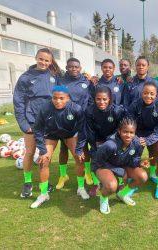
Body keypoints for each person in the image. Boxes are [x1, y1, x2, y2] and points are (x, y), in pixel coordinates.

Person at [13, 47, 61, 199]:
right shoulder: (25, 77)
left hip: (49, 123)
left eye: (47, 60)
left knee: (45, 154)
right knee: (30, 152)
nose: (43, 62)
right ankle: (27, 183)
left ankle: (43, 183)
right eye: (41, 59)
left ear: (50, 61)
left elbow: (62, 95)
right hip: (32, 123)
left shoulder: (54, 76)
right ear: (36, 58)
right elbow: (18, 101)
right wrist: (23, 123)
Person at [31, 85, 87, 208]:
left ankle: (81, 188)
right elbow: (38, 128)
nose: (58, 101)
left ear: (68, 98)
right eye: (55, 98)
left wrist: (79, 148)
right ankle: (44, 194)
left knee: (79, 158)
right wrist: (42, 149)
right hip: (51, 135)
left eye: (61, 98)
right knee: (44, 161)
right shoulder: (45, 108)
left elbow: (83, 129)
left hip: (70, 134)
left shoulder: (76, 108)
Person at [92, 117, 149, 214]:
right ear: (119, 131)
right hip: (103, 166)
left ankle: (122, 194)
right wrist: (119, 171)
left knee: (143, 176)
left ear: (135, 133)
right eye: (125, 132)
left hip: (122, 164)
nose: (128, 135)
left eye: (131, 132)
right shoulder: (110, 145)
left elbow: (134, 159)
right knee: (111, 186)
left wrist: (139, 162)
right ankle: (103, 198)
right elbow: (98, 162)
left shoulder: (137, 143)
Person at [56, 57, 92, 190]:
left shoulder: (86, 81)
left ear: (80, 68)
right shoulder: (61, 81)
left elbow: (91, 98)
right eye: (71, 67)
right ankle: (63, 175)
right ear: (67, 68)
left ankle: (87, 172)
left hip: (82, 119)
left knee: (84, 147)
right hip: (65, 119)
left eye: (76, 67)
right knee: (63, 148)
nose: (74, 69)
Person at [85, 86, 127, 196]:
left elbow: (120, 129)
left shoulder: (117, 110)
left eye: (104, 99)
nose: (101, 102)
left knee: (116, 158)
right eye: (98, 99)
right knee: (95, 157)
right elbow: (90, 131)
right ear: (94, 99)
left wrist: (111, 141)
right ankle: (96, 183)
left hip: (113, 141)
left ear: (110, 99)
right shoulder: (89, 111)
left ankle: (121, 181)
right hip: (97, 140)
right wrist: (95, 144)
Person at [128, 82, 158, 199]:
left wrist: (149, 140)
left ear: (156, 95)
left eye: (151, 94)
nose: (148, 96)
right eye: (145, 93)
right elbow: (130, 122)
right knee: (133, 155)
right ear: (141, 93)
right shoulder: (135, 105)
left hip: (156, 133)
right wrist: (135, 138)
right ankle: (133, 181)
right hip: (138, 133)